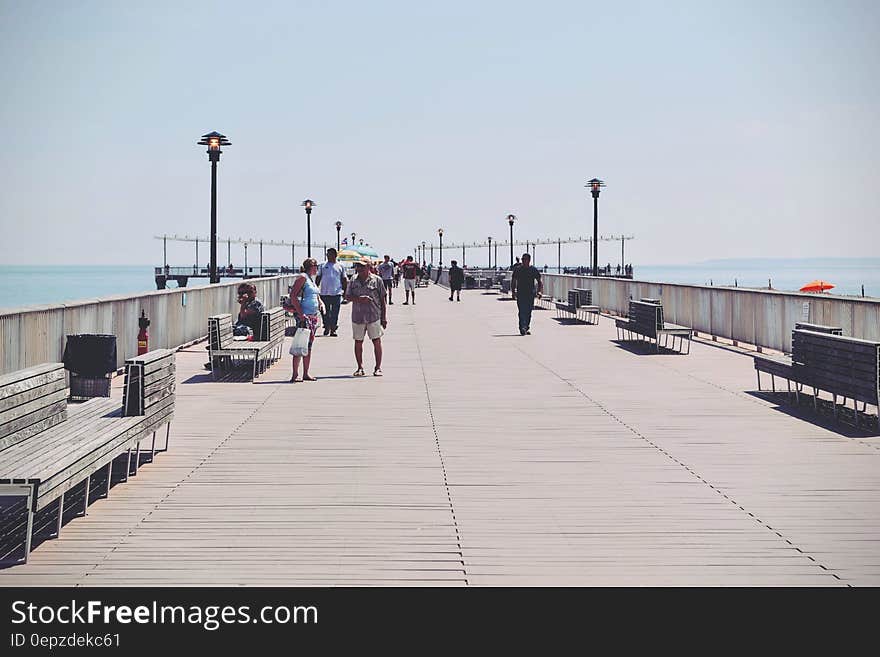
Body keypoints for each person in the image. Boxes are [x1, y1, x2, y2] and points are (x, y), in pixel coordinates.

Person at [345, 257, 387, 377]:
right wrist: (359, 299)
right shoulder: (353, 280)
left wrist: (384, 317)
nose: (360, 268)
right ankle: (360, 367)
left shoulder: (377, 280)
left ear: (369, 267)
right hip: (358, 316)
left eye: (362, 266)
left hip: (374, 315)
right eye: (358, 266)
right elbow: (347, 297)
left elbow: (383, 300)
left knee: (376, 341)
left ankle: (378, 367)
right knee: (358, 342)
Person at [285, 258, 325, 382]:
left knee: (309, 345)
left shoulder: (311, 279)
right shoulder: (302, 277)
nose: (317, 268)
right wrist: (300, 313)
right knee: (300, 344)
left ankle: (306, 373)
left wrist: (320, 302)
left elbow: (314, 294)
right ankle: (295, 374)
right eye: (315, 266)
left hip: (313, 316)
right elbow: (293, 296)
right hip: (304, 317)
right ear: (310, 266)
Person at [317, 248, 346, 336]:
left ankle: (333, 329)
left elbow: (344, 279)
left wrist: (345, 292)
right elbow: (318, 277)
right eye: (327, 254)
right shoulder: (322, 265)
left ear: (335, 255)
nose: (327, 256)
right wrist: (315, 289)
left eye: (329, 254)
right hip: (324, 293)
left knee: (335, 313)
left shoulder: (340, 266)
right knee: (325, 312)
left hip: (336, 293)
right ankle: (326, 326)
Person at [511, 253, 542, 336]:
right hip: (520, 293)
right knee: (521, 311)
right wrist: (513, 292)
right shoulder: (518, 269)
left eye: (525, 259)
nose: (523, 261)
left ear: (529, 260)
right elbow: (513, 281)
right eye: (522, 259)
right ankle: (522, 328)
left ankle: (526, 327)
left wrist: (539, 292)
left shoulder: (533, 270)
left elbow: (539, 281)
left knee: (528, 312)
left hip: (530, 294)